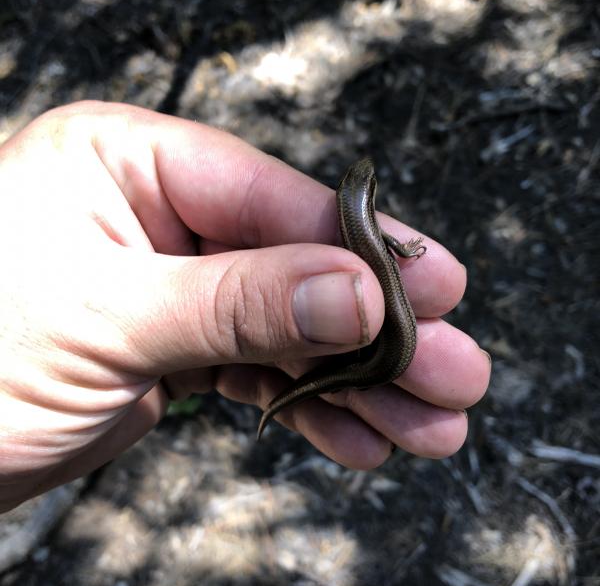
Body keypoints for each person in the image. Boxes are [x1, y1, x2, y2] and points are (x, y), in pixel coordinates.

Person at [0, 101, 490, 513]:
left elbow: (385, 245)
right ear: (367, 200)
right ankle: (304, 386)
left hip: (385, 353)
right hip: (384, 353)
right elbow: (393, 249)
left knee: (359, 367)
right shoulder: (363, 228)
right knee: (363, 364)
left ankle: (305, 387)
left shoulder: (354, 223)